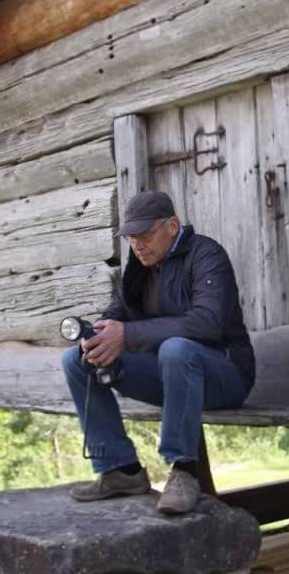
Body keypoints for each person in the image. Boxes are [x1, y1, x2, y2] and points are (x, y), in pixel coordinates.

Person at [62, 190, 255, 514]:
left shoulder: (207, 255)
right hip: (171, 376)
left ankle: (184, 471)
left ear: (172, 226)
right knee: (77, 360)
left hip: (226, 376)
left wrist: (127, 335)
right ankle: (121, 470)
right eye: (131, 237)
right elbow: (116, 313)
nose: (138, 245)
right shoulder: (139, 267)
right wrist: (96, 336)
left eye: (146, 235)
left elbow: (207, 323)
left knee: (176, 349)